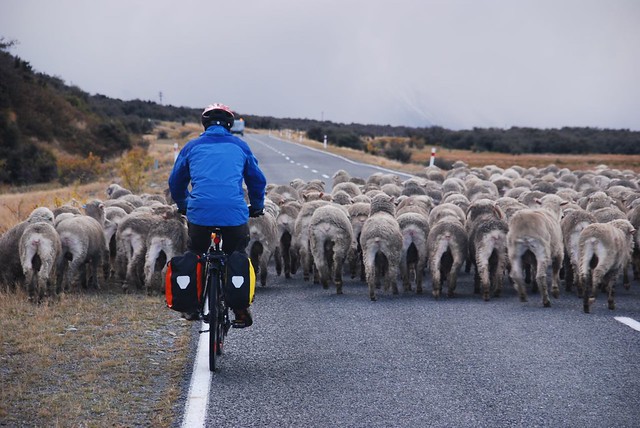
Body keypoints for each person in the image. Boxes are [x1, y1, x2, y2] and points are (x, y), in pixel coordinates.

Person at [168, 103, 267, 327]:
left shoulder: (192, 147)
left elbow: (176, 181)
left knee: (195, 251)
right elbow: (257, 180)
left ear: (205, 124)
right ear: (230, 125)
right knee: (237, 251)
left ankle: (191, 306)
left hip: (200, 213)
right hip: (233, 214)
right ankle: (241, 309)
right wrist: (257, 205)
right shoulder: (240, 146)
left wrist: (184, 204)